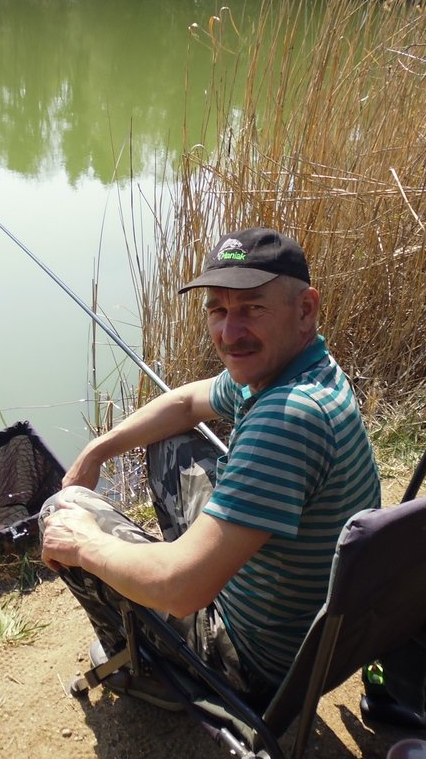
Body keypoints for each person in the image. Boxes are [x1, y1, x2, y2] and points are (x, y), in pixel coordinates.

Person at [40, 226, 381, 709]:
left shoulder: (286, 419)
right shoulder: (295, 369)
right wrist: (98, 449)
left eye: (252, 308)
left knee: (62, 511)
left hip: (255, 664)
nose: (229, 333)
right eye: (218, 311)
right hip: (305, 631)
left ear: (305, 309)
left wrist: (84, 543)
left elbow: (180, 590)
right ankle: (189, 562)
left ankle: (143, 663)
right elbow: (184, 405)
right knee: (169, 439)